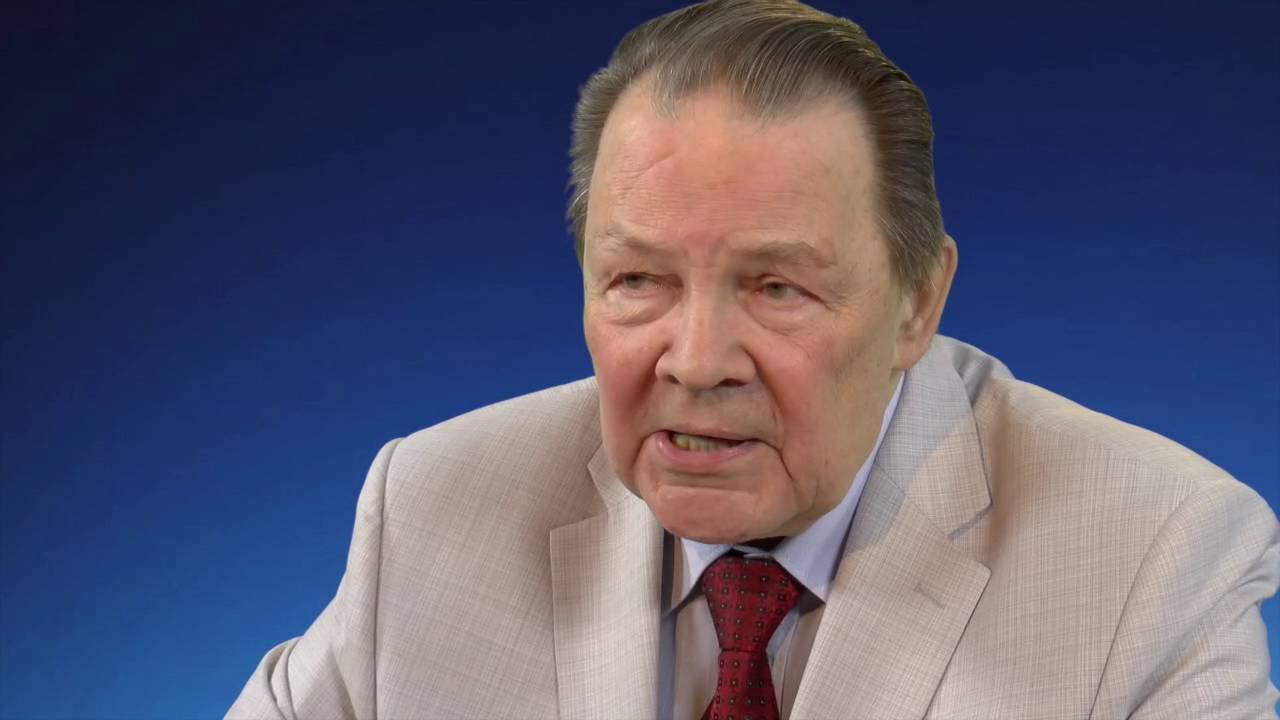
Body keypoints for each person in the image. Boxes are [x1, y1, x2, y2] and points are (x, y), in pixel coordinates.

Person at [227, 1, 1279, 718]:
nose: (695, 363)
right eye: (638, 280)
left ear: (917, 303)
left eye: (776, 288)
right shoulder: (434, 512)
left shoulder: (1154, 557)